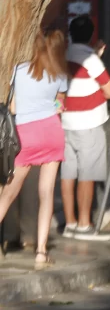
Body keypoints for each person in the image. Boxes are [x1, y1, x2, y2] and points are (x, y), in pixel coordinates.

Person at [0, 29, 68, 268]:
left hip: (24, 134)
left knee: (8, 193)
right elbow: (61, 103)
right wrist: (53, 105)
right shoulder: (59, 73)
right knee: (46, 193)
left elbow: (14, 106)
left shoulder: (18, 71)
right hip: (51, 131)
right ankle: (41, 252)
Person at [60, 16, 110, 241]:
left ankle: (70, 223)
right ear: (92, 35)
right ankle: (84, 225)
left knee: (67, 174)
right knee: (87, 174)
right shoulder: (91, 60)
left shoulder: (64, 54)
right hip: (89, 124)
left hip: (65, 123)